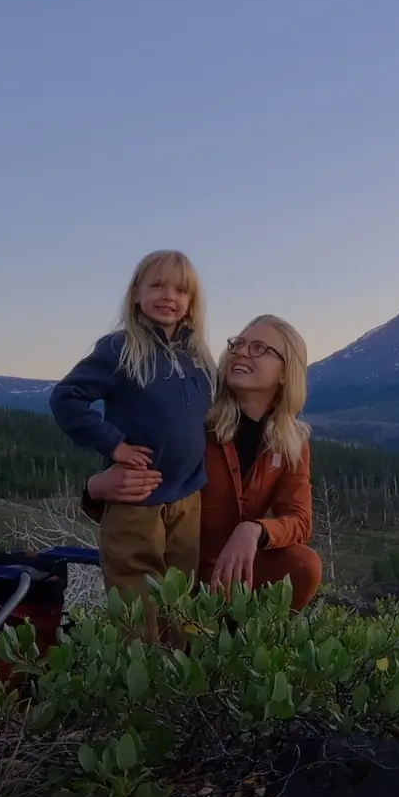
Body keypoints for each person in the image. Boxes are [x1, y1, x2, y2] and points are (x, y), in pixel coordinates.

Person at [85, 314, 322, 609]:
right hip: (176, 570)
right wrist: (95, 488)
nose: (242, 352)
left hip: (231, 577)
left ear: (286, 373)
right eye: (239, 344)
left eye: (260, 348)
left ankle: (243, 647)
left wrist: (255, 530)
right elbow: (138, 495)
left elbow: (300, 520)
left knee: (303, 564)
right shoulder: (194, 418)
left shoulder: (292, 442)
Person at [50, 250, 216, 625]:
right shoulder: (120, 348)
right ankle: (137, 678)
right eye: (156, 285)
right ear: (136, 293)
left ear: (191, 302)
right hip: (136, 498)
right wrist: (114, 444)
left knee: (180, 598)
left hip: (188, 497)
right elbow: (66, 398)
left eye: (180, 290)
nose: (168, 296)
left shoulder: (199, 357)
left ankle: (176, 677)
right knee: (135, 602)